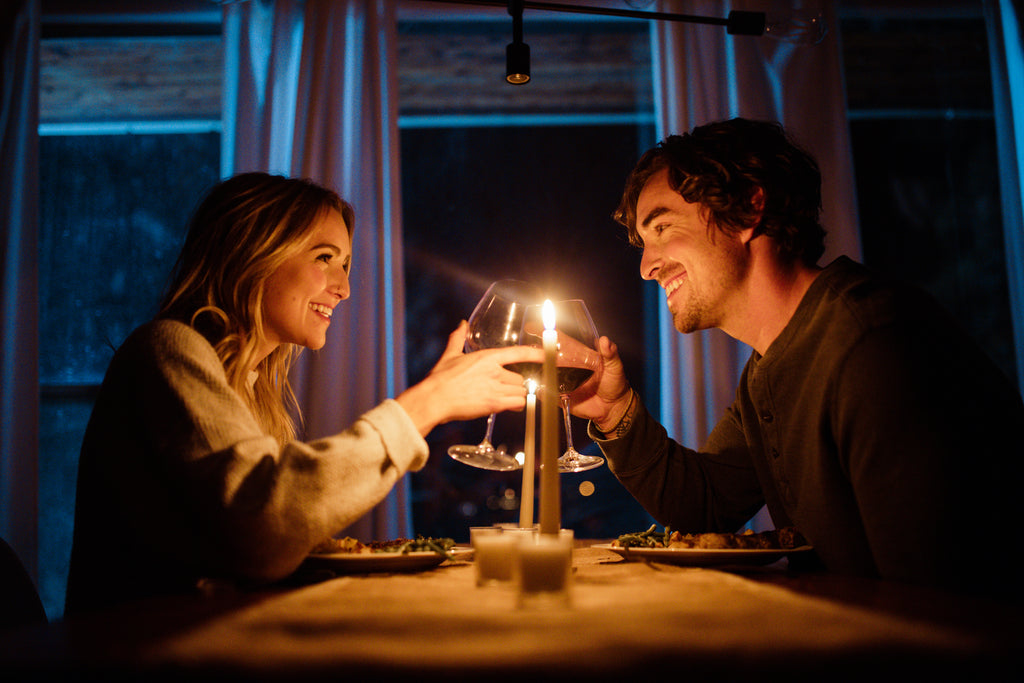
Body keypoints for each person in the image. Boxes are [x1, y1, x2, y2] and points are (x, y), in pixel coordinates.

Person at [571, 118, 1024, 595]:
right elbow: (705, 504)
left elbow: (935, 599)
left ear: (748, 208)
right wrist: (614, 412)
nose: (647, 267)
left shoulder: (871, 344)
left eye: (662, 228)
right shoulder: (773, 363)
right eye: (645, 244)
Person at [65, 172, 541, 614]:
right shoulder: (168, 350)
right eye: (324, 258)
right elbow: (264, 531)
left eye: (347, 264)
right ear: (253, 253)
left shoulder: (249, 389)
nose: (345, 288)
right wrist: (426, 404)